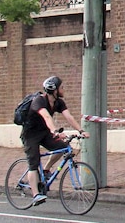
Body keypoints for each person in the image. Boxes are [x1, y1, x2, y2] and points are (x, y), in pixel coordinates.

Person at [21, 75, 89, 206]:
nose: (63, 89)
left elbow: (68, 116)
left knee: (62, 148)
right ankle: (36, 195)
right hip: (31, 135)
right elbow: (46, 117)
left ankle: (46, 170)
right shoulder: (39, 101)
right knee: (33, 164)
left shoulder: (58, 102)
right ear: (54, 90)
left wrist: (81, 131)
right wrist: (55, 131)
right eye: (61, 87)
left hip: (45, 133)